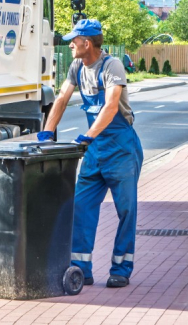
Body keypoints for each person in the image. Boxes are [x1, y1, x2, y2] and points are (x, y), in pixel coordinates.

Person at [38, 19, 143, 288]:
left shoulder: (112, 66)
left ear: (88, 43)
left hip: (121, 149)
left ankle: (121, 267)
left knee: (126, 210)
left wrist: (88, 136)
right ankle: (81, 268)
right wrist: (47, 132)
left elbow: (110, 107)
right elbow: (61, 98)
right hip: (95, 152)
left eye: (74, 39)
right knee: (81, 208)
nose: (70, 43)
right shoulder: (76, 66)